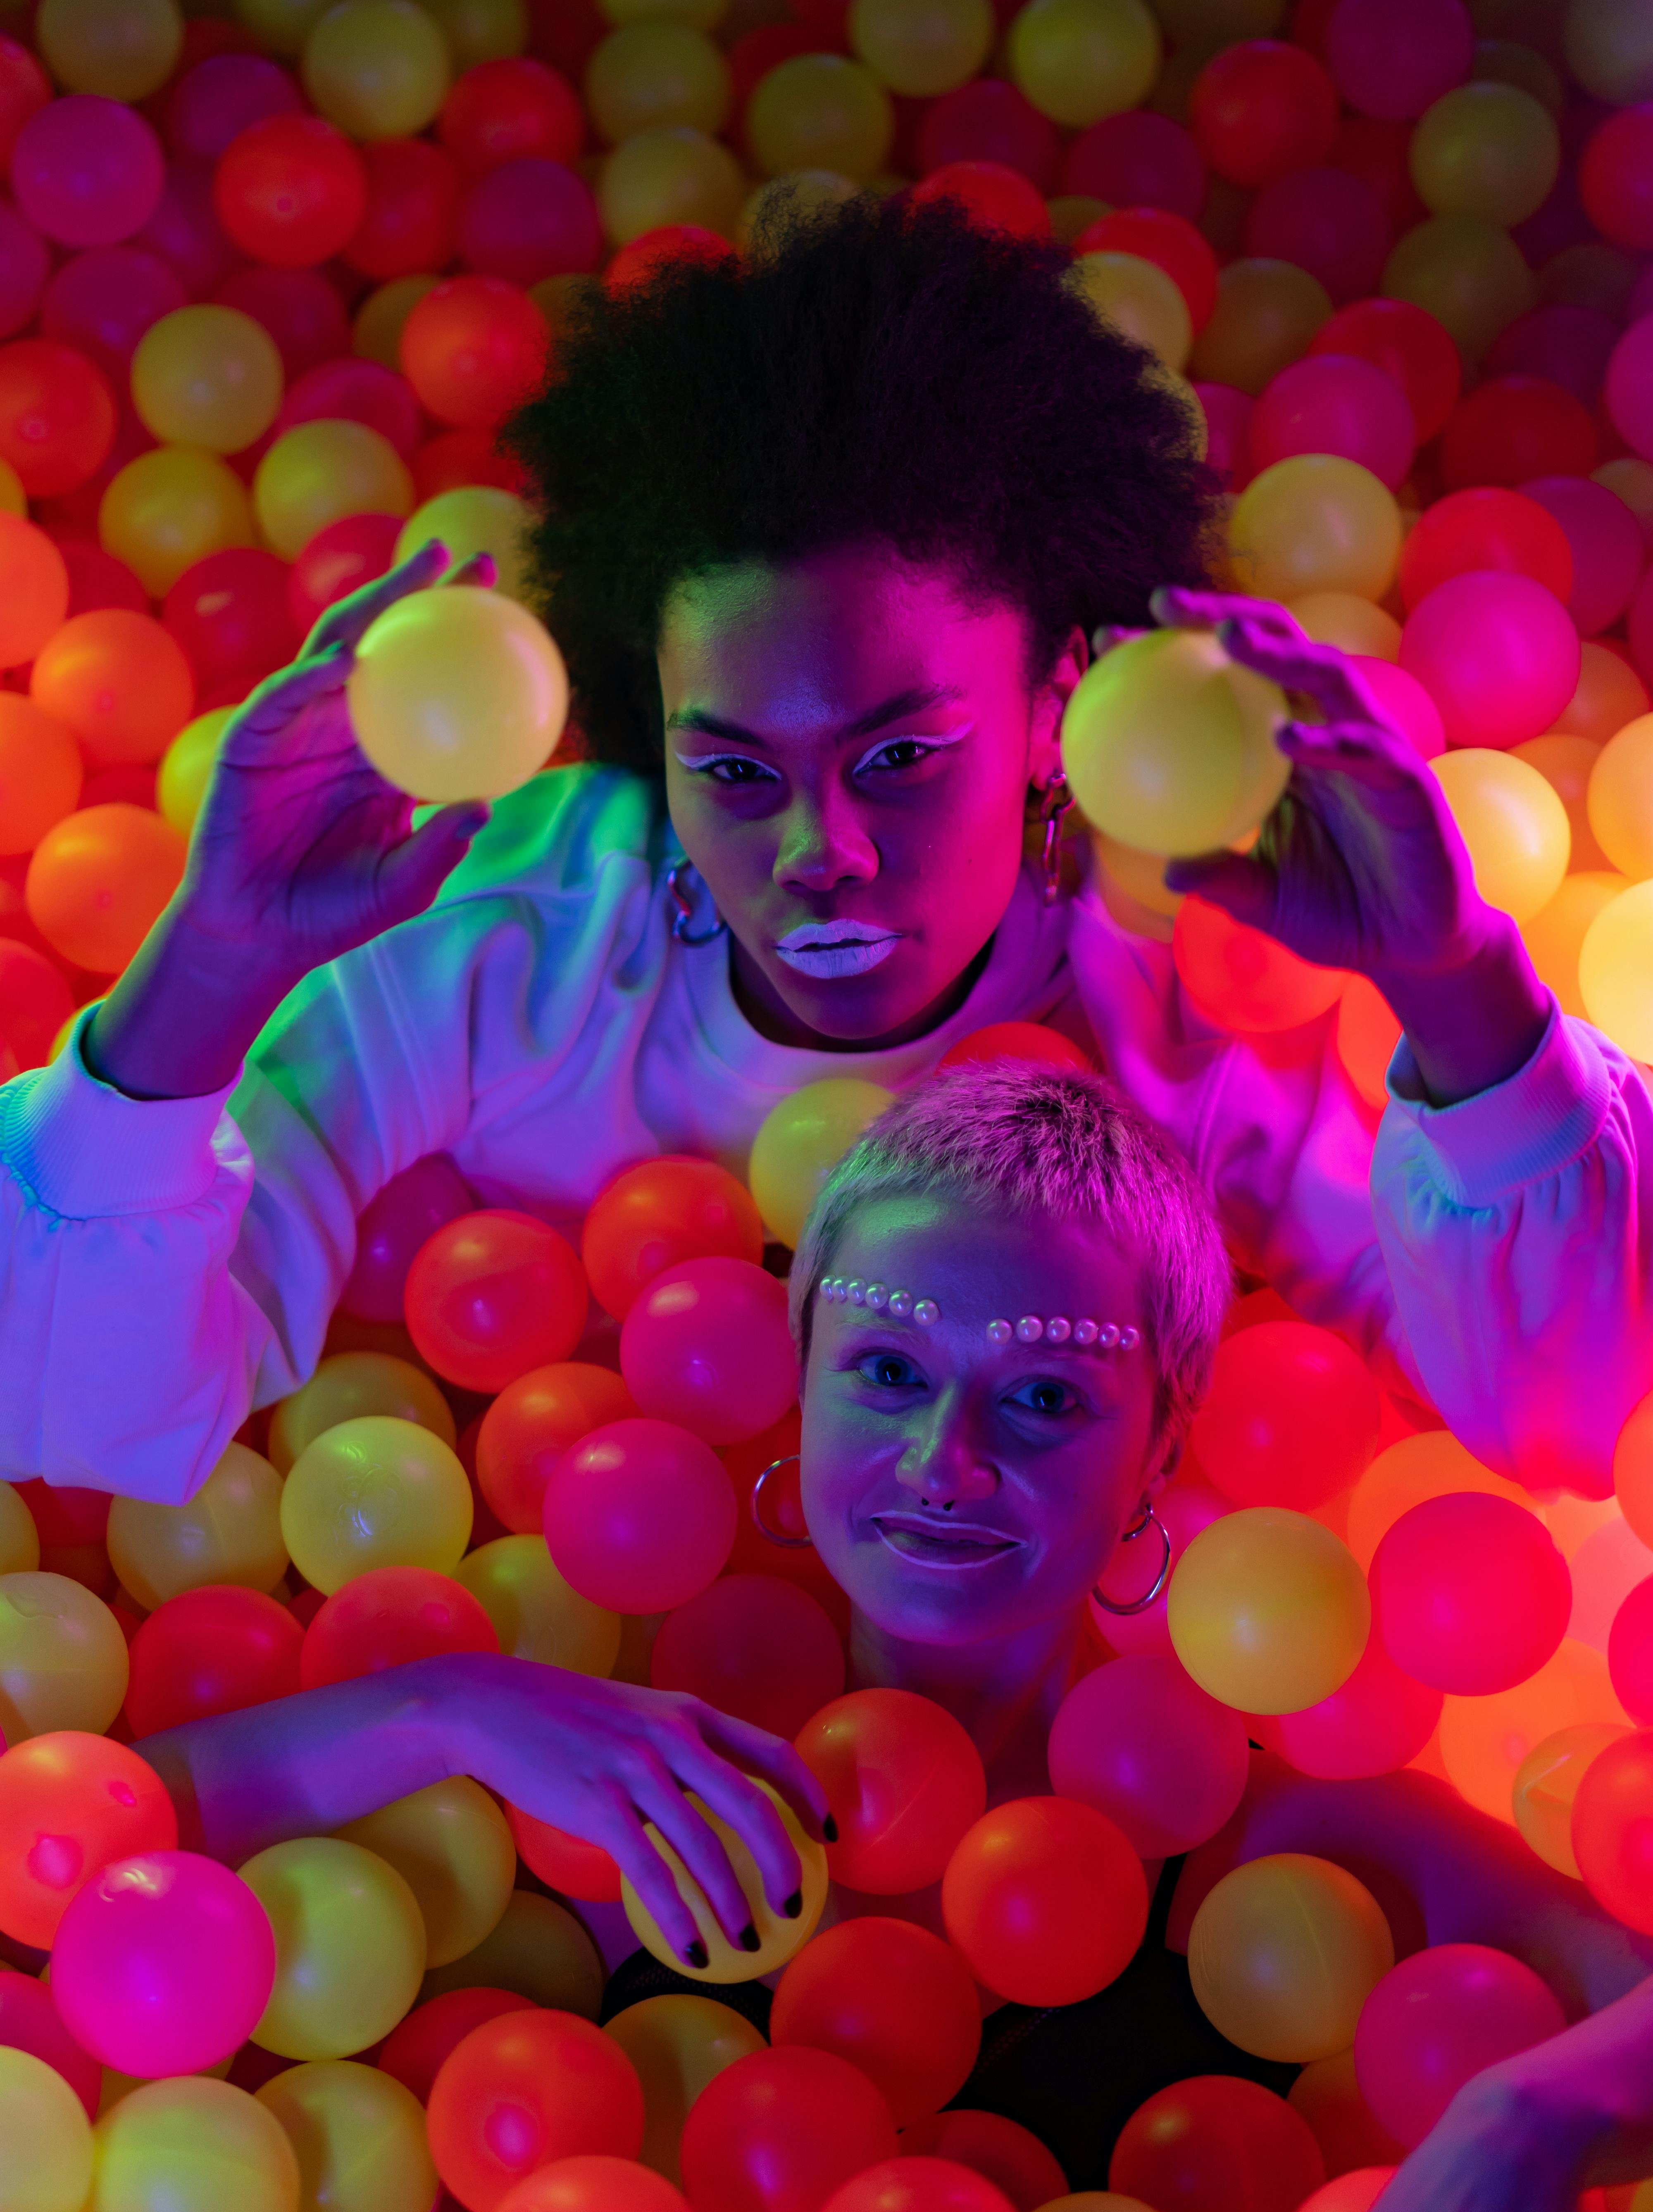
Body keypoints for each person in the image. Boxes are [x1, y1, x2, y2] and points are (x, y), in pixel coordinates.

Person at [1, 195, 1649, 1500]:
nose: (822, 853)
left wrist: (1458, 984)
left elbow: (1567, 1425)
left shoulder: (1196, 990)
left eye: (906, 756)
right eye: (730, 768)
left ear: (1060, 698)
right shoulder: (517, 932)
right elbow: (79, 1413)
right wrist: (214, 958)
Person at [133, 1063, 1653, 2212]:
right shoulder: (600, 1799)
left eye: (1046, 1395)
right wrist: (444, 1708)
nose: (949, 1461)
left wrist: (1532, 2120)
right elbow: (88, 1876)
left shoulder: (1302, 1866)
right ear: (800, 1372)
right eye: (886, 1373)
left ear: (1164, 1439)